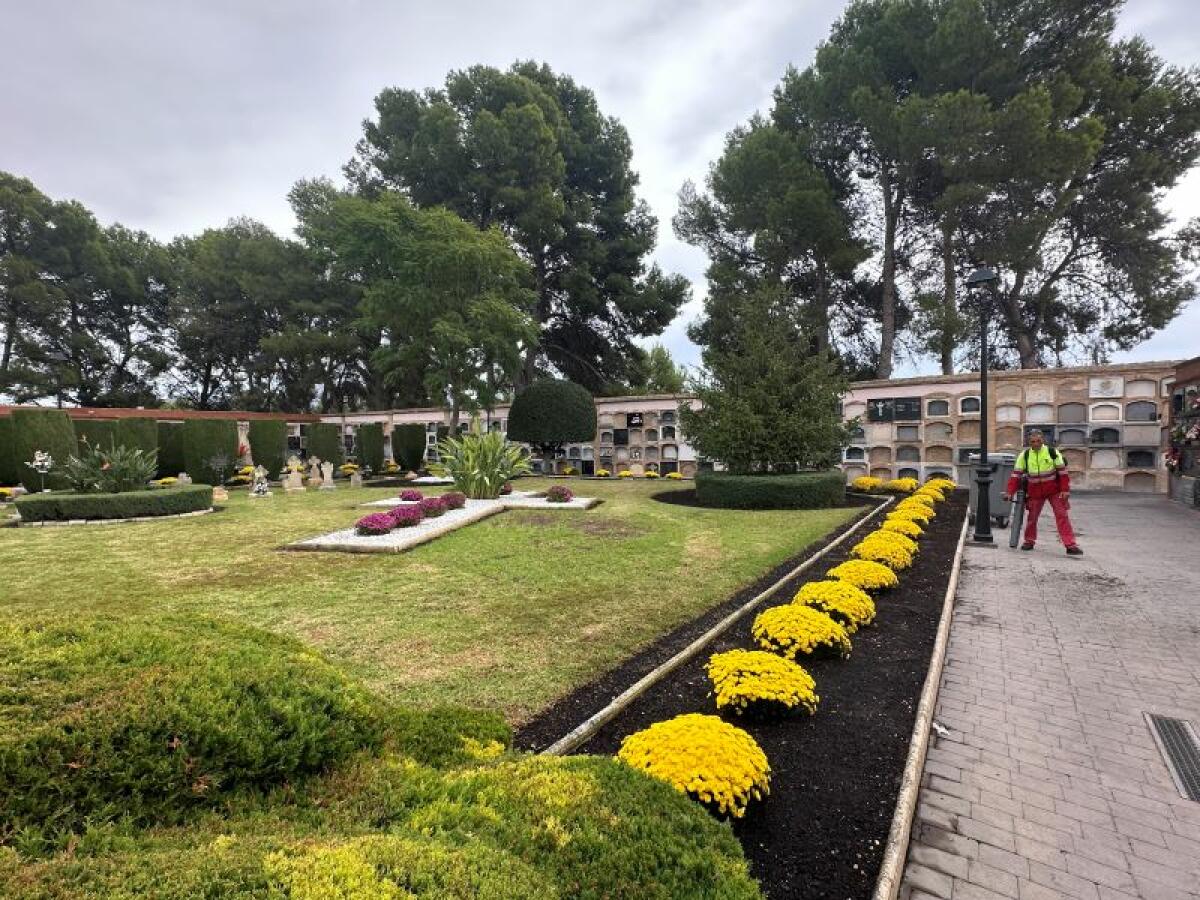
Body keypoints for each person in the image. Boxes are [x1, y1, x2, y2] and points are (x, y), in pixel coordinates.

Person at [1002, 429, 1083, 555]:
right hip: (1035, 492)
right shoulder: (1025, 455)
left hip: (1054, 491)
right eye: (1033, 441)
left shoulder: (1052, 452)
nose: (1036, 444)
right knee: (1032, 518)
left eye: (1038, 441)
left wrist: (1065, 490)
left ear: (1043, 440)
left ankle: (1070, 545)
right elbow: (1015, 476)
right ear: (1029, 442)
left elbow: (1062, 473)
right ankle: (1029, 541)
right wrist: (1009, 492)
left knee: (1062, 515)